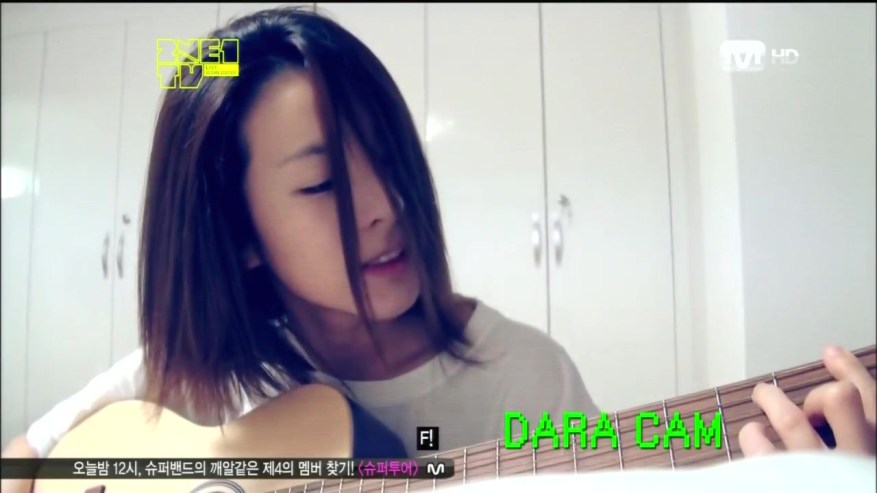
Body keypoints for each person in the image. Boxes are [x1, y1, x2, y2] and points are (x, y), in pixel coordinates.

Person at [2, 5, 874, 492]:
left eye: (388, 158)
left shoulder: (525, 379)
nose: (385, 207)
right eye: (323, 185)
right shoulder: (199, 369)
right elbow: (26, 457)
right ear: (239, 238)